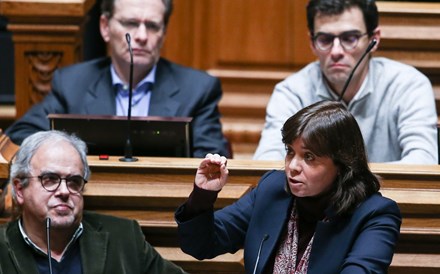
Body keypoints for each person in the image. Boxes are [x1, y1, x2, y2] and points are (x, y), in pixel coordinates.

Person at [175, 100, 402, 274]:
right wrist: (203, 195)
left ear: (342, 165)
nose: (292, 166)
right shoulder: (272, 190)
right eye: (290, 152)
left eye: (309, 157)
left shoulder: (375, 215)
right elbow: (201, 245)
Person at [4, 0, 230, 158]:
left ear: (163, 33)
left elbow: (212, 159)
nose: (142, 36)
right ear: (105, 27)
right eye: (131, 23)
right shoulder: (73, 83)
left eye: (152, 26)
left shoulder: (197, 89)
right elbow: (21, 135)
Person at [253, 0, 437, 164]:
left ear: (374, 39)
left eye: (349, 38)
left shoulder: (408, 85)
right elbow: (267, 163)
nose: (336, 51)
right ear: (311, 42)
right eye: (325, 39)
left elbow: (423, 161)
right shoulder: (291, 92)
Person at [0, 130, 188, 273]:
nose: (64, 191)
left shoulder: (123, 237)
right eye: (50, 179)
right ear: (19, 189)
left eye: (74, 182)